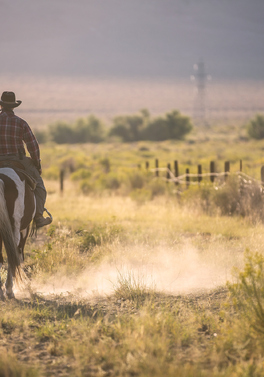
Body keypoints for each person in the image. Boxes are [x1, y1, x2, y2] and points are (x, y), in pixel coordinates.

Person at [0, 91, 52, 228]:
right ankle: (39, 216)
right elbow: (33, 146)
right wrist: (37, 164)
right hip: (18, 160)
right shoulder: (21, 123)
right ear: (13, 106)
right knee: (40, 187)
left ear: (1, 105)